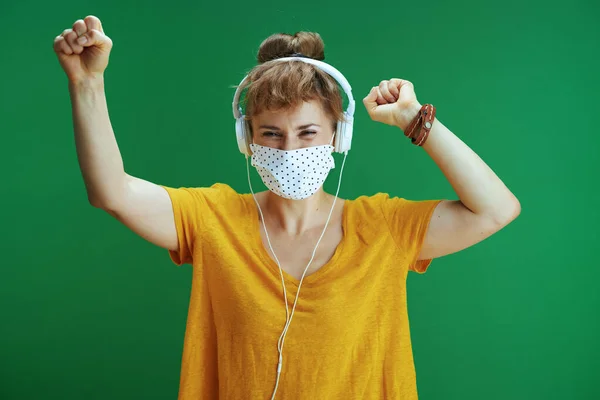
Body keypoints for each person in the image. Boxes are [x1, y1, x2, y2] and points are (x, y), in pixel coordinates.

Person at [53, 15, 521, 400]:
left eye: (307, 133)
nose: (289, 148)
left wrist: (414, 121)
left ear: (339, 135)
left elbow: (496, 209)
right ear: (247, 140)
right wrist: (87, 83)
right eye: (271, 134)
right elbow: (110, 192)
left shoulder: (383, 227)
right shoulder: (212, 217)